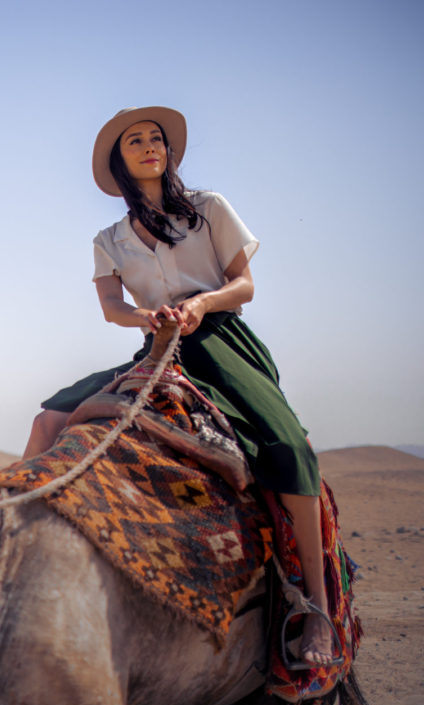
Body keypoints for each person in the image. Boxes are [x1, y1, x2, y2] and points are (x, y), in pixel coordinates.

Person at [24, 106, 337, 668]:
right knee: (48, 420)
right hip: (157, 342)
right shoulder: (109, 238)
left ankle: (315, 606)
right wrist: (147, 319)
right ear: (120, 162)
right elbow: (112, 307)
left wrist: (200, 302)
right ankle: (17, 558)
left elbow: (245, 285)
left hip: (221, 342)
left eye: (156, 138)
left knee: (289, 450)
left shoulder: (209, 210)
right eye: (135, 141)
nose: (149, 146)